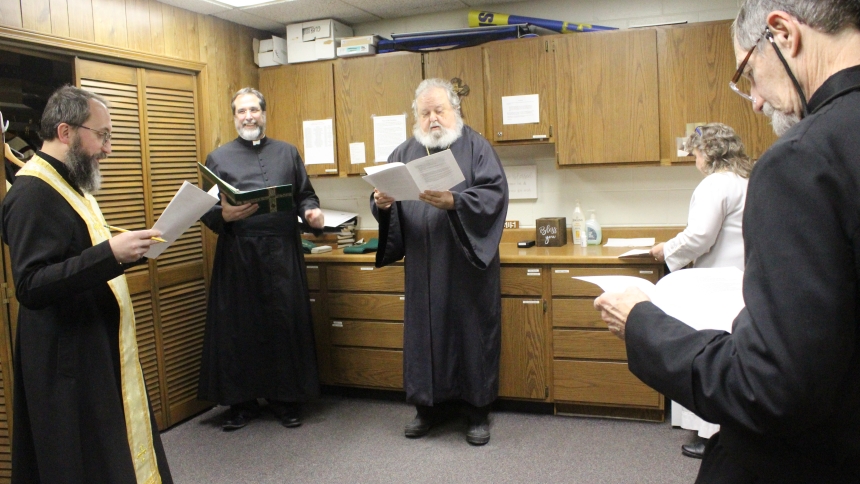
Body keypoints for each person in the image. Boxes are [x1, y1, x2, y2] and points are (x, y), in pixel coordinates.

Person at [594, 1, 860, 482]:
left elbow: (769, 389)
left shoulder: (802, 161)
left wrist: (640, 323)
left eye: (748, 74)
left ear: (781, 33)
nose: (755, 101)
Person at [1, 86, 172, 483]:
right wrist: (111, 254)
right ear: (66, 132)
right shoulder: (31, 193)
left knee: (107, 453)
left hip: (91, 342)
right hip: (64, 358)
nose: (108, 149)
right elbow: (30, 284)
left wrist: (126, 252)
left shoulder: (72, 184)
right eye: (103, 135)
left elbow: (77, 259)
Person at [371, 78, 508, 446]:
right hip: (421, 263)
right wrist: (381, 205)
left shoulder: (477, 148)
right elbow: (388, 199)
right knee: (424, 334)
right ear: (416, 116)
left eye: (439, 111)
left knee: (470, 333)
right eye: (425, 112)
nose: (433, 119)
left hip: (465, 264)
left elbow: (494, 196)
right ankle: (426, 409)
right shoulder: (403, 152)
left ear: (454, 111)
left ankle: (477, 412)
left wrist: (455, 203)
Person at [197, 87, 323, 431]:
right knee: (240, 328)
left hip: (283, 251)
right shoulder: (218, 158)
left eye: (254, 109)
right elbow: (206, 209)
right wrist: (225, 216)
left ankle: (286, 401)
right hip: (239, 253)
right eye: (241, 111)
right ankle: (242, 403)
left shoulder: (288, 153)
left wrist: (311, 213)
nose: (248, 116)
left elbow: (305, 194)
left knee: (285, 324)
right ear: (234, 116)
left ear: (264, 114)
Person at [650, 123, 754, 459]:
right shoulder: (746, 180)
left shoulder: (715, 184)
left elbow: (699, 236)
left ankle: (710, 436)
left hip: (717, 285)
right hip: (744, 281)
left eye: (695, 152)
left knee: (710, 355)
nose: (694, 158)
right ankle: (732, 429)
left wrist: (666, 250)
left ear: (707, 152)